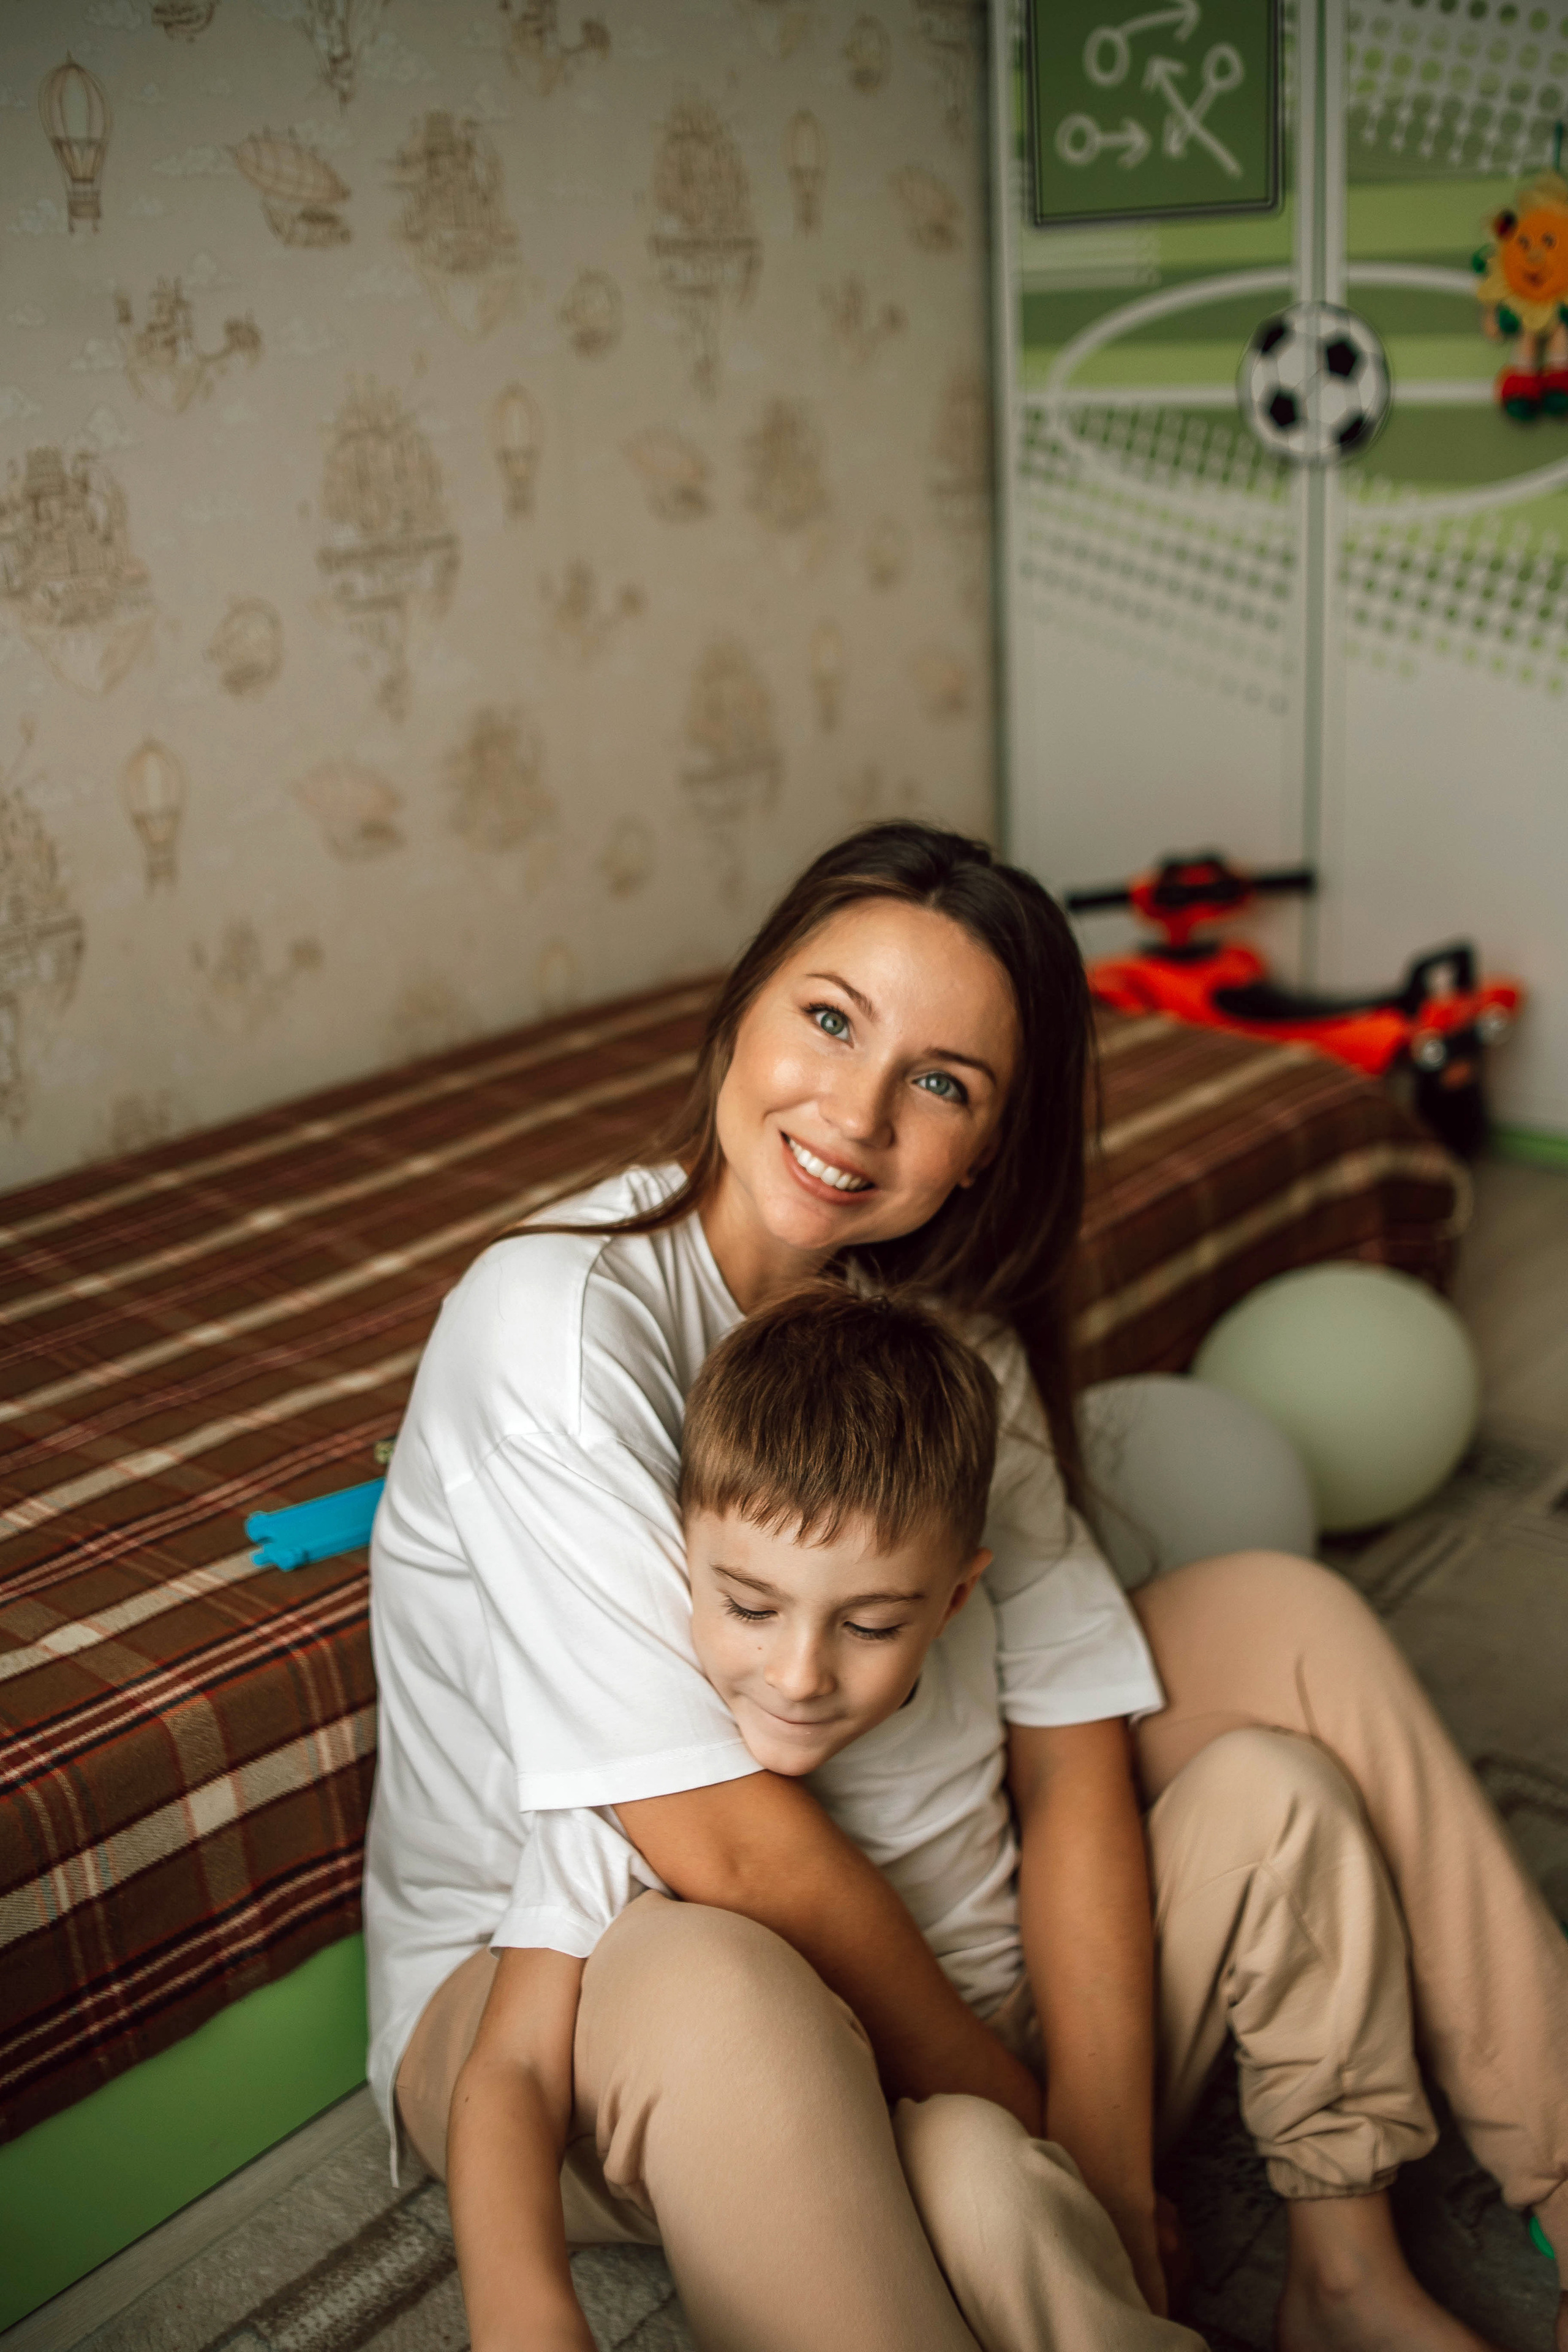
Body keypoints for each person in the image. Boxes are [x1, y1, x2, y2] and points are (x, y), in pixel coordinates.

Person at [365, 821, 1568, 2352]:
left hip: (949, 1948)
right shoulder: (554, 1326)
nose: (853, 1112)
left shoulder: (946, 1349)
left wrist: (1109, 2179)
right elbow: (734, 1853)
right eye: (826, 1018)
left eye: (939, 1082)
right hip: (606, 1980)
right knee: (722, 1980)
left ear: (988, 1147)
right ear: (741, 1007)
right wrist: (1034, 2128)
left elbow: (1067, 1752)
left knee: (1284, 1616)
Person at [445, 1282, 1483, 2352]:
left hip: (1078, 2059)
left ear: (952, 1600)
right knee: (990, 2176)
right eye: (750, 1607)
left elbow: (1080, 1810)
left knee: (1280, 1787)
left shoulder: (987, 1641)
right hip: (884, 2147)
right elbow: (513, 2065)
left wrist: (1100, 2148)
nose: (800, 1675)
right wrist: (524, 2318)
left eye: (873, 1623)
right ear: (681, 1562)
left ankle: (1348, 2268)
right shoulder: (654, 1753)